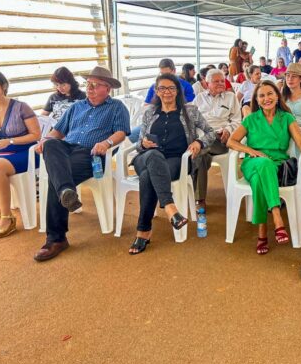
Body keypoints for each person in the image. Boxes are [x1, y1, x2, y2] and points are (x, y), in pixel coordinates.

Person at [33, 66, 130, 261]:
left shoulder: (116, 107)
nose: (90, 88)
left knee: (55, 179)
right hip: (66, 149)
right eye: (88, 84)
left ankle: (56, 239)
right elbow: (58, 131)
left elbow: (121, 132)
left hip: (90, 153)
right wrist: (45, 139)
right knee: (50, 144)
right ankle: (66, 191)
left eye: (96, 85)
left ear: (108, 88)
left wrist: (106, 143)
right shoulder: (76, 107)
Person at [129, 74, 215, 254]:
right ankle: (169, 206)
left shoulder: (190, 111)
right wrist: (143, 143)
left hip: (176, 160)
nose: (167, 92)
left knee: (147, 177)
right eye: (162, 88)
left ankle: (143, 231)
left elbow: (210, 132)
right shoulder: (150, 113)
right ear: (156, 91)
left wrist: (199, 142)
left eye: (171, 88)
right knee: (153, 155)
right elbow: (138, 144)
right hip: (146, 157)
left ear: (177, 91)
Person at [227, 80, 301, 255]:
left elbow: (300, 140)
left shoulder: (287, 117)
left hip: (277, 164)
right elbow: (231, 141)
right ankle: (276, 214)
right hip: (252, 163)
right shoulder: (251, 119)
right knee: (263, 164)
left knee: (259, 180)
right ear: (257, 100)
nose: (266, 98)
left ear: (277, 96)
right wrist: (251, 151)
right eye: (261, 96)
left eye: (270, 94)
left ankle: (262, 231)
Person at [0, 71, 41, 239]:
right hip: (4, 152)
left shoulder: (21, 107)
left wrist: (10, 140)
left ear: (3, 86)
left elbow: (36, 135)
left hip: (27, 151)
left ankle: (7, 218)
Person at [193, 69, 241, 210]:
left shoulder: (231, 97)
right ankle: (200, 198)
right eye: (216, 81)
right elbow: (191, 120)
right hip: (201, 137)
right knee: (201, 156)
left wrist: (228, 130)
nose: (221, 83)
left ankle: (197, 196)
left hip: (220, 138)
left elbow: (238, 121)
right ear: (207, 83)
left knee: (197, 151)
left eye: (222, 81)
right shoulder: (199, 98)